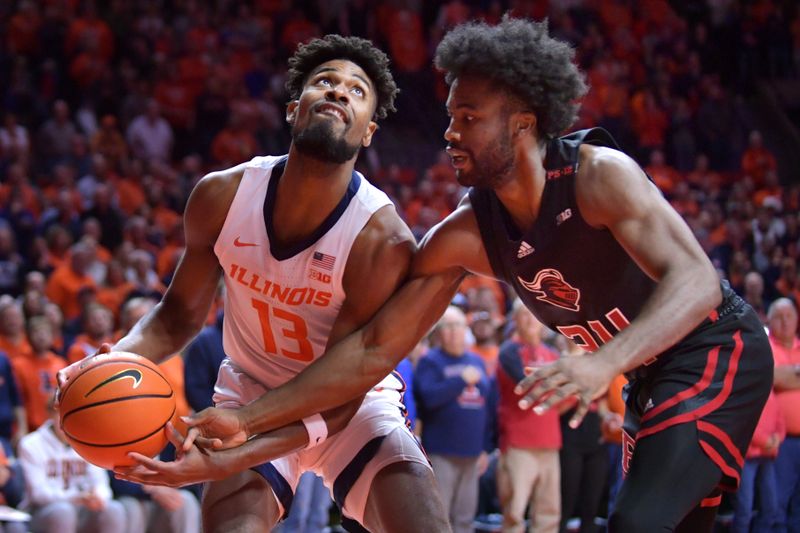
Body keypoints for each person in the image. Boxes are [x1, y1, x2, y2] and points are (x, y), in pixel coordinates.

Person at [154, 17, 774, 533]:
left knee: (636, 526)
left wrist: (602, 362)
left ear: (523, 121)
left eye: (469, 117)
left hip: (714, 348)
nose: (449, 134)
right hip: (645, 376)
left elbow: (696, 281)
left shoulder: (597, 175)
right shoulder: (464, 236)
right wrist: (249, 419)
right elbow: (370, 353)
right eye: (450, 116)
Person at [63, 35, 448, 533]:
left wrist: (241, 442)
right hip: (249, 387)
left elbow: (342, 386)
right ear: (293, 109)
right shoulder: (221, 196)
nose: (338, 93)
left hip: (347, 405)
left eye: (356, 91)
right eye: (325, 82)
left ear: (369, 131)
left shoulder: (381, 238)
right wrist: (114, 361)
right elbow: (178, 314)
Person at [414, 306, 492, 533]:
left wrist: (485, 447)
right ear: (438, 333)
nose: (453, 332)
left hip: (472, 453)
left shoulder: (477, 361)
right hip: (441, 452)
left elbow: (485, 406)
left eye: (457, 326)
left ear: (465, 330)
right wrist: (460, 381)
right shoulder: (431, 361)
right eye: (447, 327)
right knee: (438, 517)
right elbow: (429, 398)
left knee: (466, 518)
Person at [496, 301, 561, 533]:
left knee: (549, 514)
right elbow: (528, 388)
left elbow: (564, 399)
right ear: (515, 320)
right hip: (518, 444)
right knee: (514, 514)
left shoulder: (553, 353)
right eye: (524, 314)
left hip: (550, 442)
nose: (531, 320)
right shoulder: (508, 352)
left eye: (535, 314)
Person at [17, 398, 125, 533]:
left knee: (113, 509)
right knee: (63, 511)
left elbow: (102, 485)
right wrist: (75, 497)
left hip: (82, 508)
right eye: (63, 415)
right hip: (42, 512)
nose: (68, 422)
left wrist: (98, 497)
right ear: (50, 414)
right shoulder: (31, 444)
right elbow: (38, 495)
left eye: (74, 416)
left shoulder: (89, 442)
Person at [769, 298, 800, 531]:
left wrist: (786, 376)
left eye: (789, 316)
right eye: (779, 316)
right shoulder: (766, 347)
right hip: (781, 441)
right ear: (770, 320)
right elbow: (772, 377)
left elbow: (782, 378)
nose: (785, 321)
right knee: (777, 505)